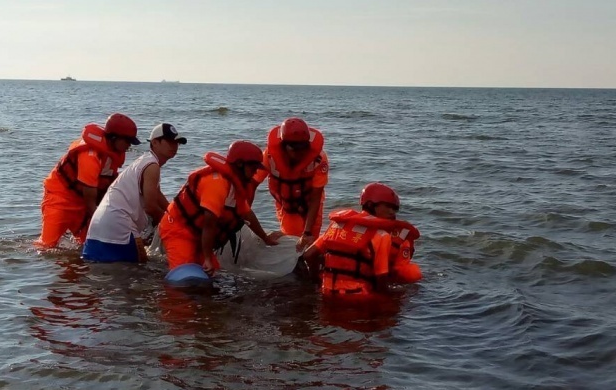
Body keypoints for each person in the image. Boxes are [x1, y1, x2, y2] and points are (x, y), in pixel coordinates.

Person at [158, 141, 283, 275]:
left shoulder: (235, 185)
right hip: (178, 230)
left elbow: (247, 214)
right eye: (253, 168)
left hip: (198, 234)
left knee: (212, 273)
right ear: (240, 164)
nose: (255, 172)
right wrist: (207, 258)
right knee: (185, 275)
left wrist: (265, 238)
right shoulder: (217, 184)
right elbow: (209, 223)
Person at [82, 123, 186, 263]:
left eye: (177, 142)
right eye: (169, 141)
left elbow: (158, 196)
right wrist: (173, 226)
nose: (174, 146)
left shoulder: (145, 162)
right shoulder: (152, 166)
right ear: (154, 142)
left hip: (98, 229)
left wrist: (174, 217)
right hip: (119, 228)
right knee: (140, 274)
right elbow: (150, 207)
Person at [35, 113, 140, 249]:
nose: (129, 146)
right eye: (127, 141)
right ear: (114, 138)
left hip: (81, 202)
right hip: (59, 198)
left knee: (90, 245)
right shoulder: (90, 156)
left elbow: (108, 188)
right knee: (46, 246)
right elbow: (91, 202)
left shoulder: (112, 154)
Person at [301, 182, 422, 297]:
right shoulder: (381, 235)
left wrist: (317, 281)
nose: (392, 212)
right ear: (370, 205)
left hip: (327, 293)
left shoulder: (336, 225)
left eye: (395, 209)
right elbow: (381, 280)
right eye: (388, 207)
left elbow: (308, 255)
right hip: (359, 298)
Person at [254, 117, 330, 251]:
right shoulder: (269, 156)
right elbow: (251, 185)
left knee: (311, 242)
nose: (300, 153)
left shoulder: (319, 159)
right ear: (284, 146)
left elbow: (316, 196)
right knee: (294, 243)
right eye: (294, 149)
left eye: (303, 148)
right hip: (287, 205)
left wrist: (307, 232)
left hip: (312, 203)